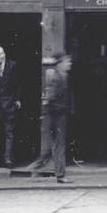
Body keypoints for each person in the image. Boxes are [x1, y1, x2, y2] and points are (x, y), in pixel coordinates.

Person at [39, 52, 73, 183]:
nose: (69, 64)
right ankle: (60, 175)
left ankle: (36, 167)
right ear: (60, 64)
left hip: (58, 116)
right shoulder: (56, 78)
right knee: (58, 146)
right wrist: (52, 115)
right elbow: (50, 98)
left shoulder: (62, 76)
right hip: (56, 117)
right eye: (67, 62)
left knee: (54, 145)